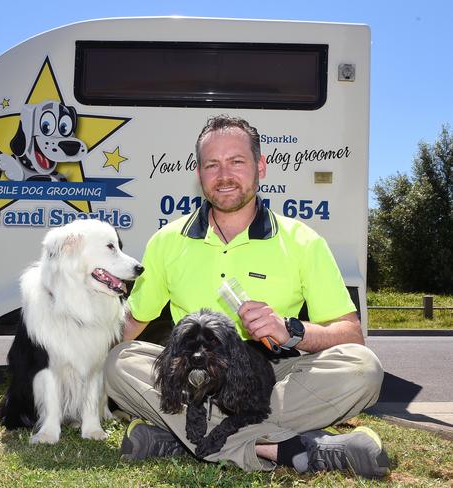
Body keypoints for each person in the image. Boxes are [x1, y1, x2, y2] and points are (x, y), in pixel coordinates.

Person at [104, 115, 389, 479]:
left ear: (260, 167)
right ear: (199, 173)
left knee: (363, 368)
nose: (224, 175)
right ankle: (287, 449)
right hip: (195, 379)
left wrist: (292, 330)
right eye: (212, 165)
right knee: (119, 362)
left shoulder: (303, 241)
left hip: (276, 375)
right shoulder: (166, 242)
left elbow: (350, 335)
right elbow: (129, 324)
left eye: (237, 162)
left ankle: (178, 439)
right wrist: (73, 368)